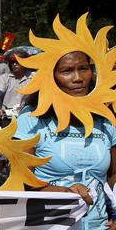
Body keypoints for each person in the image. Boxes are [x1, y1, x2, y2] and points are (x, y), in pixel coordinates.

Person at [16, 50, 116, 229]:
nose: (78, 78)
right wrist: (66, 193)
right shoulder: (32, 119)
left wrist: (113, 214)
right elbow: (22, 181)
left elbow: (113, 175)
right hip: (48, 224)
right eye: (67, 71)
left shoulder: (107, 120)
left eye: (83, 69)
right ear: (51, 77)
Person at [0, 50, 32, 119]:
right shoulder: (5, 77)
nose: (14, 64)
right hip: (8, 116)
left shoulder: (34, 77)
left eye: (17, 62)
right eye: (12, 62)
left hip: (29, 116)